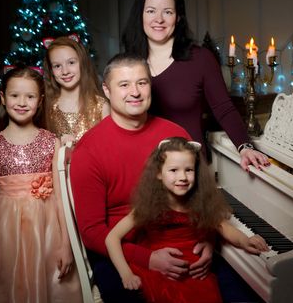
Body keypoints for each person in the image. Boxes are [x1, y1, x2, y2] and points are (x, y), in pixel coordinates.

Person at [70, 53, 213, 302]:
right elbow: (92, 232)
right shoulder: (89, 150)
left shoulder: (175, 134)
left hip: (180, 238)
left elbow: (201, 199)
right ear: (107, 90)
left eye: (142, 83)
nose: (134, 92)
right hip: (120, 251)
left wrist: (208, 241)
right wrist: (147, 258)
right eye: (124, 85)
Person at [0, 64, 82, 303]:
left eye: (30, 96)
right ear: (3, 98)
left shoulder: (51, 142)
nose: (22, 102)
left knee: (47, 284)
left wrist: (66, 245)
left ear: (40, 100)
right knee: (7, 286)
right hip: (5, 230)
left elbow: (62, 197)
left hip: (46, 228)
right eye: (14, 95)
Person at [121, 0, 270, 172]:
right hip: (142, 167)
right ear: (140, 16)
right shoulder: (127, 63)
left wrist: (245, 146)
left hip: (189, 169)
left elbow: (224, 109)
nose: (159, 19)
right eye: (151, 11)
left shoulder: (201, 59)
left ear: (178, 17)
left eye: (168, 12)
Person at [106, 137, 269, 303]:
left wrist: (245, 241)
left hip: (194, 271)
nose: (182, 177)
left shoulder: (198, 202)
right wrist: (125, 273)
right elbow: (112, 238)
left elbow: (224, 227)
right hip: (159, 270)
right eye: (173, 170)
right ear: (158, 173)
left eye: (189, 170)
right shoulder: (149, 204)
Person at [43, 35, 109, 145]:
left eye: (71, 63)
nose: (65, 71)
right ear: (51, 71)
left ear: (82, 64)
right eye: (57, 66)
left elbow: (108, 149)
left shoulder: (101, 107)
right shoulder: (47, 107)